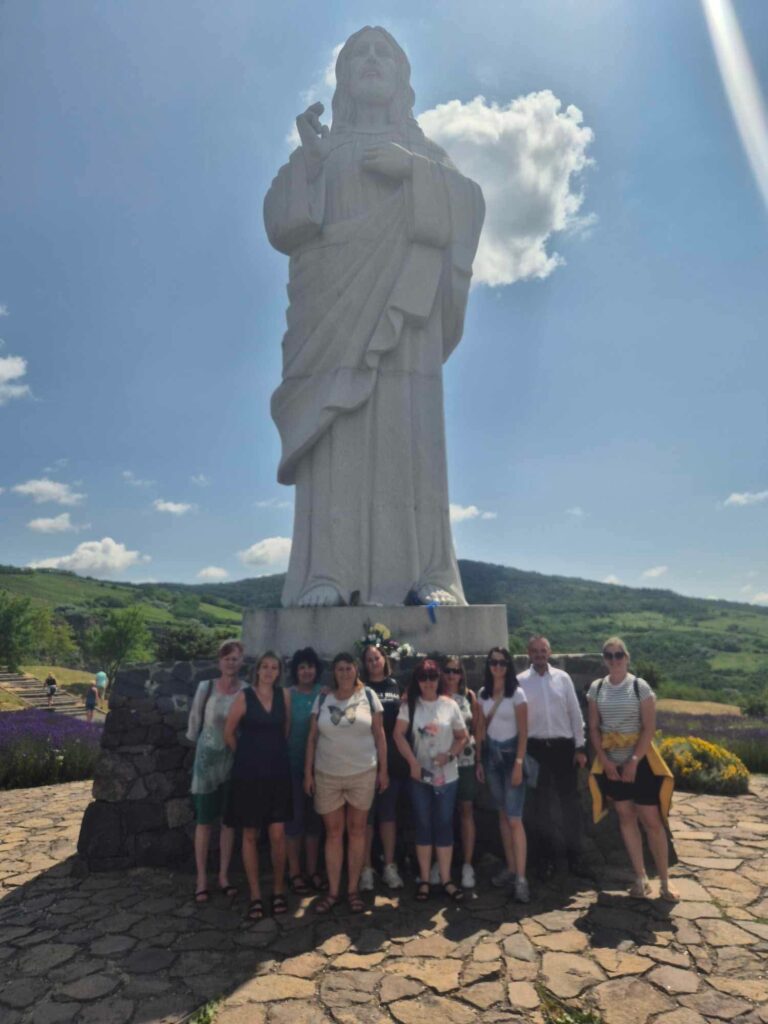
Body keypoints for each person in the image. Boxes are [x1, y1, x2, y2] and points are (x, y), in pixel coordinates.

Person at [264, 26, 485, 608]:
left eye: (381, 52)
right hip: (332, 317)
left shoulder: (424, 152)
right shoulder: (321, 150)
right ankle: (326, 574)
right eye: (358, 53)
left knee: (412, 437)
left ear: (400, 75)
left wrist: (413, 171)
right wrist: (310, 164)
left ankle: (429, 575)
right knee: (336, 434)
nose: (369, 59)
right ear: (341, 78)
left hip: (405, 317)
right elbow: (285, 230)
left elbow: (468, 204)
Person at [587, 637, 677, 901]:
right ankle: (640, 877)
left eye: (618, 655)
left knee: (651, 821)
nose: (614, 660)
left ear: (626, 658)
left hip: (641, 763)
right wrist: (605, 761)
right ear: (604, 659)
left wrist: (634, 761)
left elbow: (649, 728)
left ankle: (665, 882)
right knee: (626, 818)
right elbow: (594, 728)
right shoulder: (597, 688)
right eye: (609, 655)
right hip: (612, 763)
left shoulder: (640, 687)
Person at [304, 652, 388, 913]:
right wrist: (307, 773)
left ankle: (352, 890)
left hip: (362, 772)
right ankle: (333, 891)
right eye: (339, 669)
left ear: (356, 670)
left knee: (357, 831)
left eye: (348, 668)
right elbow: (312, 738)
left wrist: (384, 771)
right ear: (334, 672)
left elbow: (380, 735)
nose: (344, 673)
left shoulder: (368, 696)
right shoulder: (323, 697)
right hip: (327, 774)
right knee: (333, 833)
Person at [224, 651, 293, 921]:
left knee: (278, 834)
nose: (269, 671)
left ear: (278, 672)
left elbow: (285, 729)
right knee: (250, 834)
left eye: (274, 667)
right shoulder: (244, 697)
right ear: (258, 670)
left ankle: (277, 890)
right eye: (265, 666)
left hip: (277, 773)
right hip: (249, 776)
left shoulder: (283, 696)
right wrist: (246, 756)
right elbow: (229, 732)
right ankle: (255, 894)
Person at [394, 657, 468, 903]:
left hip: (447, 775)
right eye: (423, 678)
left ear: (439, 679)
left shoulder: (450, 705)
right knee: (423, 824)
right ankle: (425, 879)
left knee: (444, 824)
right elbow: (398, 735)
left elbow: (462, 736)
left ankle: (446, 879)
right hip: (420, 776)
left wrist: (450, 755)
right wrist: (413, 763)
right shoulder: (410, 706)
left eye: (433, 677)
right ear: (417, 681)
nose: (428, 682)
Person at [517, 635, 588, 879]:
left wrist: (580, 747)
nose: (539, 654)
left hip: (563, 748)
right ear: (529, 653)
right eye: (535, 650)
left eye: (543, 650)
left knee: (570, 804)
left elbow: (575, 713)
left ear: (550, 652)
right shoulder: (520, 681)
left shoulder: (563, 678)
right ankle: (545, 860)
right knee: (541, 808)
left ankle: (575, 858)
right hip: (536, 749)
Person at [185, 639, 246, 905]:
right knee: (204, 821)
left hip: (232, 761)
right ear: (219, 661)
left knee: (228, 822)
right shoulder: (206, 687)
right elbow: (194, 721)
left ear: (241, 661)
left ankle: (223, 875)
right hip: (207, 763)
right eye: (227, 658)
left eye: (235, 658)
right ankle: (201, 878)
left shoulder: (246, 690)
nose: (231, 662)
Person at [476, 647, 531, 903]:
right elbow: (479, 730)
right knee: (502, 814)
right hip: (491, 759)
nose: (497, 667)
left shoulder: (517, 694)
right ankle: (510, 867)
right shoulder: (482, 694)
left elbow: (524, 732)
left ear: (508, 666)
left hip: (511, 758)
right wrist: (479, 760)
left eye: (502, 663)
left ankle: (521, 878)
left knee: (515, 818)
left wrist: (519, 763)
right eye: (493, 662)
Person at [360, 643, 407, 891]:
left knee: (388, 815)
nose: (373, 663)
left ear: (384, 659)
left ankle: (389, 865)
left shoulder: (395, 686)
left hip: (393, 759)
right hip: (366, 758)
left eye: (376, 658)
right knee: (366, 818)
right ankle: (366, 868)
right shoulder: (360, 689)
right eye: (368, 660)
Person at [285, 647, 326, 895]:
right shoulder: (288, 695)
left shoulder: (324, 693)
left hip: (320, 767)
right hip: (292, 765)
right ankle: (294, 872)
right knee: (294, 820)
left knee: (314, 821)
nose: (306, 671)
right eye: (301, 667)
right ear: (295, 671)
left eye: (310, 666)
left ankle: (312, 871)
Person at [441, 655, 480, 888]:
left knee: (466, 810)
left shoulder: (469, 696)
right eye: (447, 671)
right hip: (441, 762)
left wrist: (480, 760)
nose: (451, 675)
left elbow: (477, 729)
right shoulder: (434, 695)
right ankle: (441, 862)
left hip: (465, 760)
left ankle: (467, 864)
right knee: (442, 813)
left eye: (455, 671)